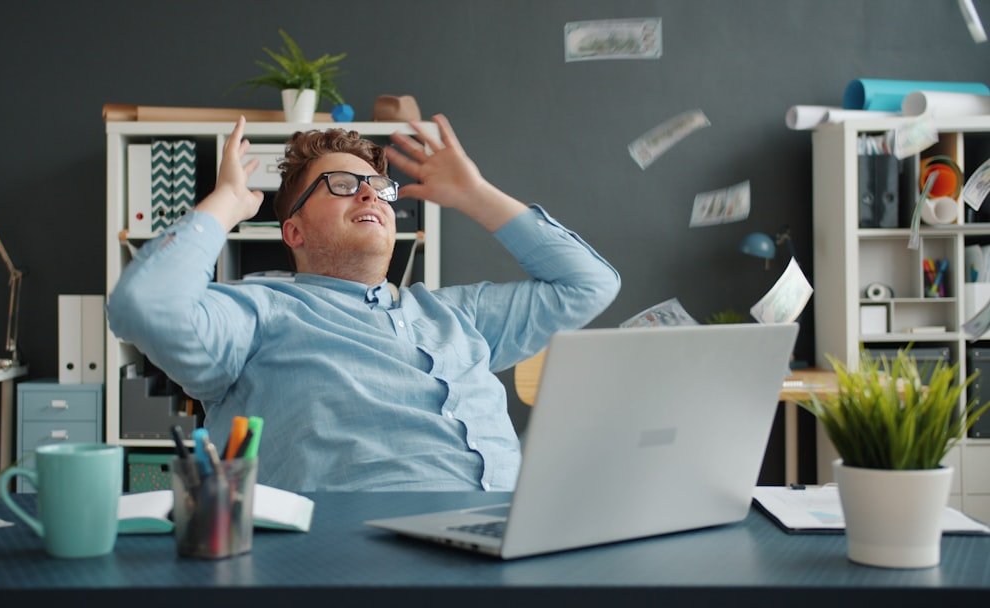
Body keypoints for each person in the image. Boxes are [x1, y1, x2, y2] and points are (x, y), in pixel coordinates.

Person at [108, 114, 620, 491]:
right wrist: (228, 204)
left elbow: (588, 285)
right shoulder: (259, 313)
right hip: (361, 557)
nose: (371, 195)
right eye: (344, 185)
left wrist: (475, 195)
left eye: (379, 186)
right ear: (294, 230)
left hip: (505, 536)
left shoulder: (455, 316)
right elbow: (145, 304)